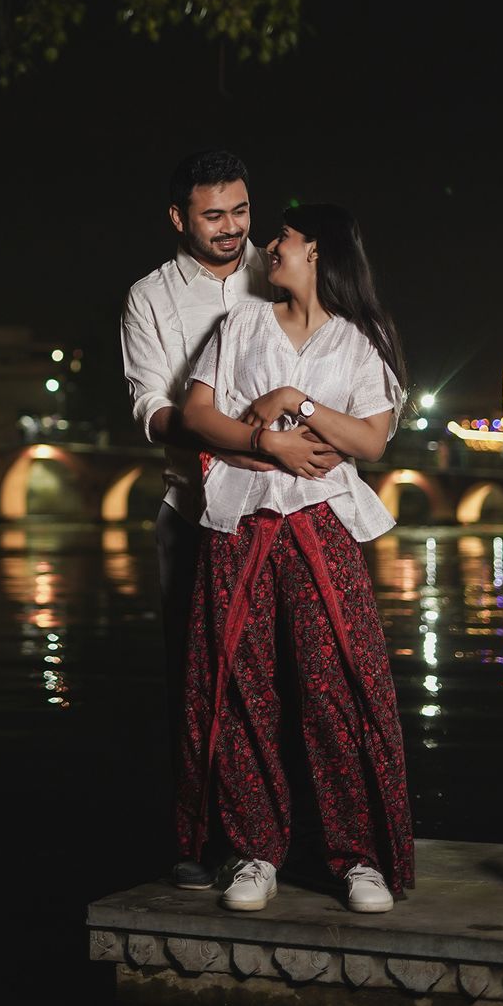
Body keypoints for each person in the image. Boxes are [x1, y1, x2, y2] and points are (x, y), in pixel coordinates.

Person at [175, 203, 415, 915]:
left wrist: (293, 402)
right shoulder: (241, 323)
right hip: (242, 517)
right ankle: (255, 851)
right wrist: (266, 443)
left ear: (316, 250)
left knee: (336, 681)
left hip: (322, 520)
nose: (267, 246)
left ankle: (358, 856)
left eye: (281, 237)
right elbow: (196, 414)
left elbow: (371, 441)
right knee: (240, 680)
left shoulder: (358, 339)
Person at [121, 150, 340, 889]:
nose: (231, 228)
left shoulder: (280, 267)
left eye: (241, 211)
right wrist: (242, 439)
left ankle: (296, 836)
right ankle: (202, 835)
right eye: (212, 215)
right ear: (178, 216)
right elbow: (153, 410)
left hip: (296, 514)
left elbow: (352, 349)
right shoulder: (150, 296)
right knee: (198, 678)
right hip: (196, 512)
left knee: (301, 674)